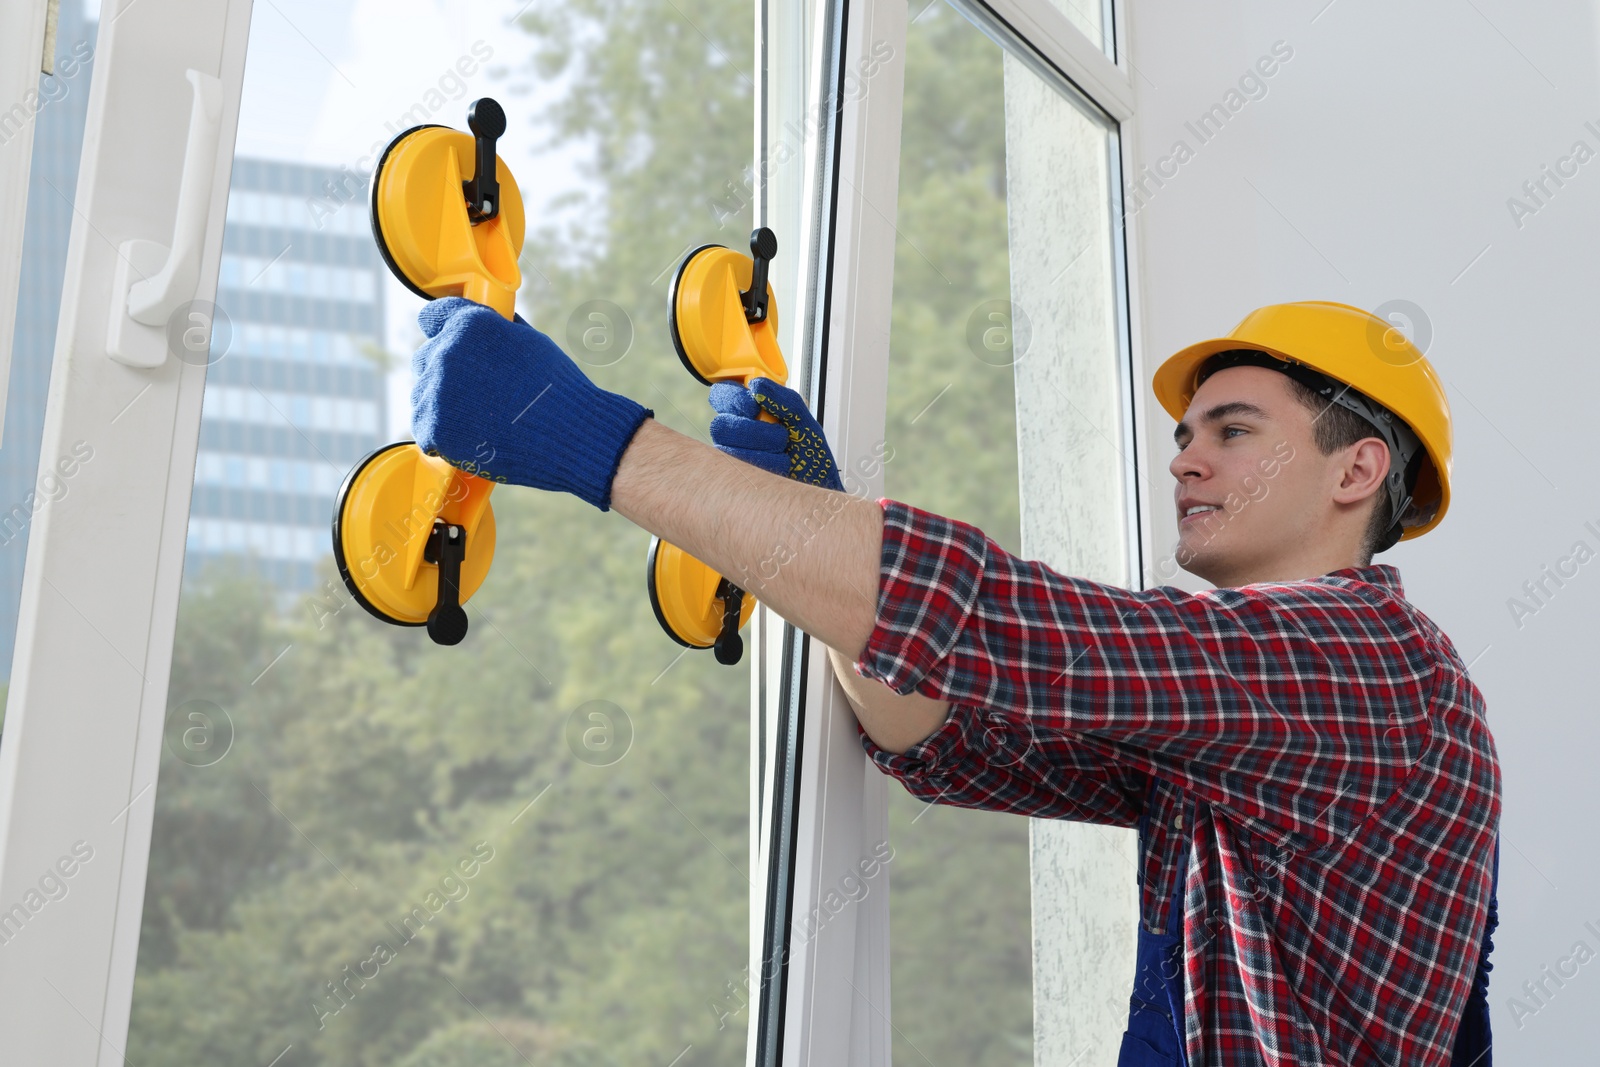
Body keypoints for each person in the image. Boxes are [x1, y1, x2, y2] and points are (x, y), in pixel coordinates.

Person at [408, 296, 1499, 1066]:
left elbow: (987, 616)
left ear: (1356, 469)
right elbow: (953, 735)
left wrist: (591, 437)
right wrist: (810, 536)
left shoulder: (1359, 665)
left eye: (1231, 428)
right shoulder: (1256, 710)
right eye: (1181, 432)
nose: (1183, 458)